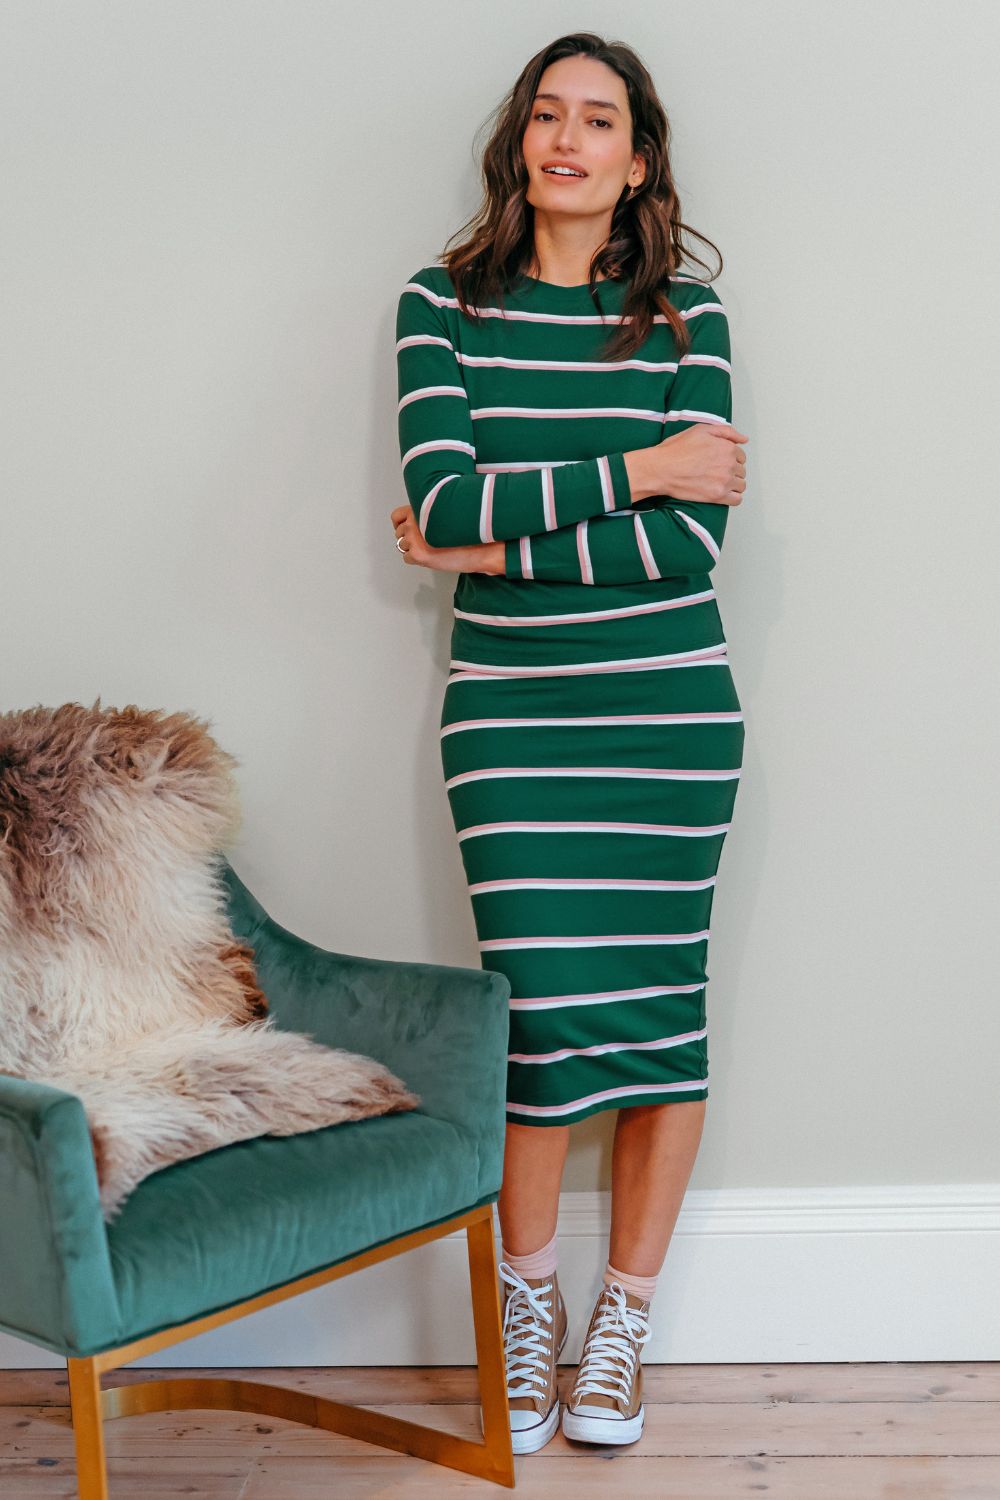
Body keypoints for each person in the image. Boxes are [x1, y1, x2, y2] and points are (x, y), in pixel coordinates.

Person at [391, 31, 748, 1454]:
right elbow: (440, 497)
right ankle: (529, 1301)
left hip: (668, 715)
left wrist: (488, 549)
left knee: (662, 1016)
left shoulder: (689, 318)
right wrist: (644, 465)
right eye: (548, 113)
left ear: (637, 161)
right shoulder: (439, 305)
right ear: (520, 142)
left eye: (599, 120)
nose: (567, 138)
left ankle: (625, 1325)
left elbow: (689, 547)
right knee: (537, 1020)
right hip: (515, 717)